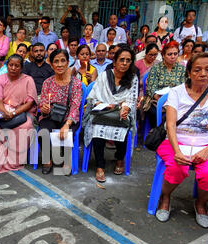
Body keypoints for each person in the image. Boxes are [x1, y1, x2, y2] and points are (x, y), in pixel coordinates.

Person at [155, 53, 208, 228]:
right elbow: (170, 126)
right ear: (189, 72)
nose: (203, 73)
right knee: (177, 166)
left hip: (207, 144)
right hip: (176, 142)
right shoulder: (177, 93)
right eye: (198, 70)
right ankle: (165, 197)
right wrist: (177, 151)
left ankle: (201, 204)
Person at [82, 47, 138, 182]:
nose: (124, 63)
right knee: (96, 129)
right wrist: (105, 104)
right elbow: (94, 97)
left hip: (121, 112)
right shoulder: (104, 76)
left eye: (128, 60)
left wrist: (124, 108)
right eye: (122, 60)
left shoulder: (133, 78)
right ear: (115, 62)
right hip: (103, 112)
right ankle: (100, 166)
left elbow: (131, 99)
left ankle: (120, 158)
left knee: (122, 127)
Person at [0, 54, 38, 176]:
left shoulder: (28, 80)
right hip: (2, 111)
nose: (13, 68)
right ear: (7, 66)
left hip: (23, 112)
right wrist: (5, 112)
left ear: (21, 67)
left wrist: (14, 113)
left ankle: (14, 162)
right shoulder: (0, 79)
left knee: (25, 127)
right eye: (11, 65)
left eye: (17, 66)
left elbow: (30, 102)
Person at [38, 49, 83, 175]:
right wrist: (44, 108)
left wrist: (67, 124)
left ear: (68, 62)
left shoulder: (76, 83)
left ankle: (66, 160)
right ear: (51, 65)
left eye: (63, 60)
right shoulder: (48, 82)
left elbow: (75, 106)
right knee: (44, 130)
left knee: (68, 132)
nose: (59, 64)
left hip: (69, 117)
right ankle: (48, 159)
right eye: (56, 61)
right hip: (51, 116)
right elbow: (43, 104)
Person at [144, 41, 186, 128]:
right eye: (169, 54)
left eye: (175, 54)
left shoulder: (182, 69)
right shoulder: (156, 68)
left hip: (177, 99)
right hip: (157, 99)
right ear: (163, 55)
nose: (173, 57)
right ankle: (159, 134)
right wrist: (158, 97)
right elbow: (151, 87)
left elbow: (184, 87)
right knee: (155, 112)